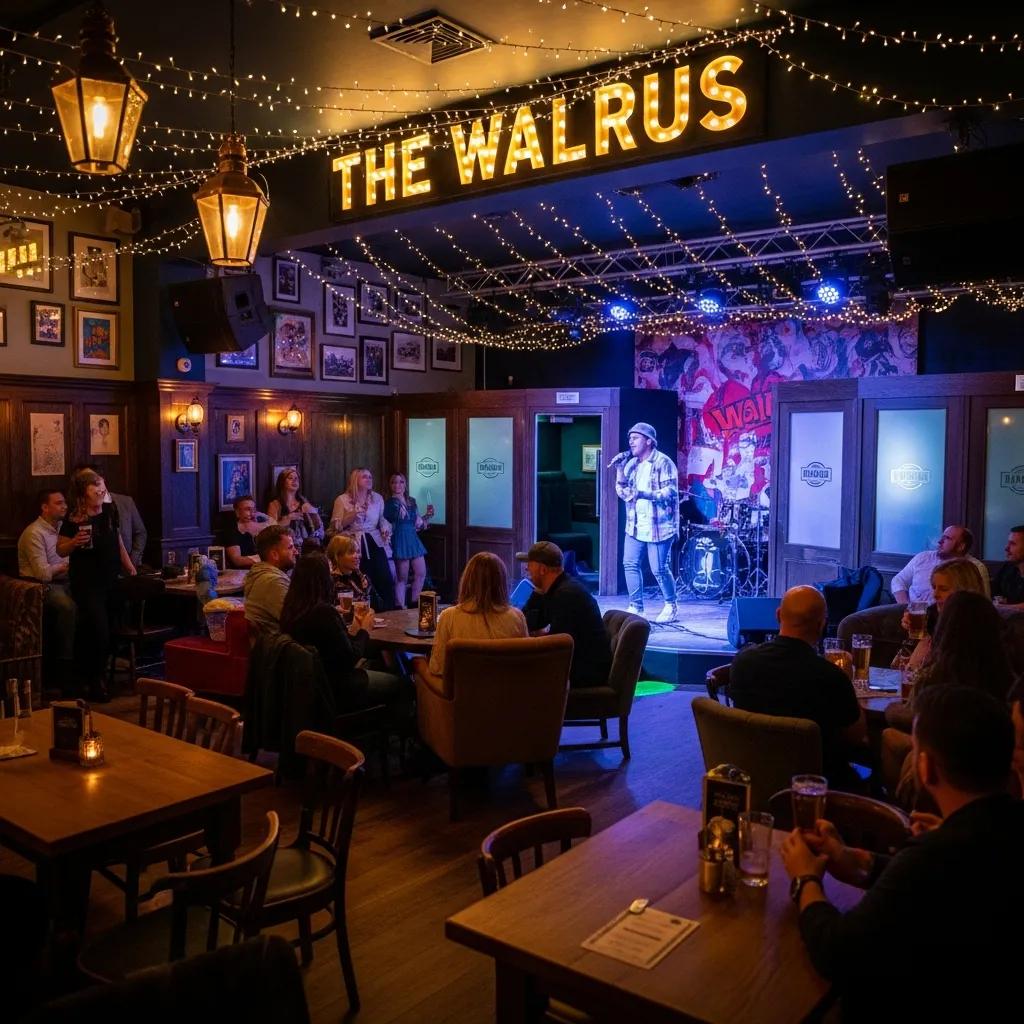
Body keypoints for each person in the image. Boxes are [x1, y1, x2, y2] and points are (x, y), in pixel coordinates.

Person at [780, 686, 1024, 1021]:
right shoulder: (990, 832)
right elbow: (938, 890)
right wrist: (861, 862)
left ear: (926, 769)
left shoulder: (934, 857)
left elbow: (838, 953)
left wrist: (804, 879)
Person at [729, 585, 866, 788]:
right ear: (822, 625)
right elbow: (856, 737)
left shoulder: (743, 662)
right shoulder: (831, 677)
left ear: (778, 616)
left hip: (753, 777)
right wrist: (849, 682)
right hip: (818, 786)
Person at [279, 553, 403, 713]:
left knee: (381, 660)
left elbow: (337, 647)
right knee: (401, 683)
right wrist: (365, 628)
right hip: (336, 685)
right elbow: (350, 658)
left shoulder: (291, 609)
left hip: (307, 684)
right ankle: (398, 732)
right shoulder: (323, 613)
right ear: (322, 579)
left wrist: (354, 628)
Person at [56, 468, 136, 702]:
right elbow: (60, 549)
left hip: (111, 579)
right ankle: (95, 680)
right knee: (97, 630)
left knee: (108, 630)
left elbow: (117, 539)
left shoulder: (110, 511)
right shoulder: (73, 518)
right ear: (84, 493)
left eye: (102, 484)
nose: (101, 490)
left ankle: (88, 677)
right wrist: (73, 542)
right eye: (95, 487)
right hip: (87, 583)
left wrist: (129, 565)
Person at [413, 552, 527, 684]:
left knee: (416, 662)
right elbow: (524, 665)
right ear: (502, 582)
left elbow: (437, 669)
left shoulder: (449, 617)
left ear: (467, 580)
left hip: (461, 700)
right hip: (506, 697)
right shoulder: (517, 617)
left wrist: (418, 664)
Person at [517, 540, 612, 689]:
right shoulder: (556, 589)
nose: (526, 569)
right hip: (577, 666)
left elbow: (558, 645)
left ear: (542, 569)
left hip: (586, 673)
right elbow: (528, 624)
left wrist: (534, 637)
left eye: (530, 564)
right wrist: (537, 594)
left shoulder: (567, 594)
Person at [610, 422, 679, 623]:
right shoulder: (631, 464)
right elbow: (622, 492)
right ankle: (636, 606)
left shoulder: (663, 462)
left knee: (658, 568)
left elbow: (670, 492)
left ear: (649, 441)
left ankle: (671, 604)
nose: (630, 441)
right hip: (635, 523)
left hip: (659, 525)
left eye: (636, 437)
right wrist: (620, 470)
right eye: (630, 437)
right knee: (630, 563)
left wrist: (643, 494)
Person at [18, 488, 77, 691]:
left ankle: (88, 669)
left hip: (66, 581)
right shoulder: (34, 533)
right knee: (67, 607)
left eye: (65, 503)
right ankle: (65, 671)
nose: (65, 506)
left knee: (94, 598)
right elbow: (42, 573)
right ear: (45, 507)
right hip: (40, 587)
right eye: (59, 503)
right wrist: (66, 566)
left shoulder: (63, 528)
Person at [898, 556, 989, 671]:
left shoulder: (981, 624)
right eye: (934, 587)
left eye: (943, 589)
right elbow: (913, 666)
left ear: (965, 590)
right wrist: (912, 630)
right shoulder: (933, 614)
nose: (935, 594)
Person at [330, 468, 395, 610]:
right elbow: (336, 526)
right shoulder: (342, 500)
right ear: (355, 480)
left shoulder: (377, 498)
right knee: (363, 578)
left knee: (385, 578)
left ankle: (388, 610)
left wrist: (385, 529)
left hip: (374, 541)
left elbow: (383, 519)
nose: (369, 479)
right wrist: (354, 514)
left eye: (370, 476)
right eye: (364, 477)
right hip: (355, 542)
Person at [891, 524, 990, 604]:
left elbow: (983, 602)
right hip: (914, 613)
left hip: (949, 616)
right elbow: (898, 580)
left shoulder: (974, 567)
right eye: (942, 537)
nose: (939, 542)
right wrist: (905, 606)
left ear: (961, 546)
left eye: (947, 538)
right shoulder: (923, 557)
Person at [383, 472, 433, 609]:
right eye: (394, 482)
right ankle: (400, 606)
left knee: (421, 572)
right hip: (400, 537)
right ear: (390, 485)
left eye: (401, 482)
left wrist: (427, 516)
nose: (397, 485)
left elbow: (418, 523)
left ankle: (414, 602)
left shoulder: (412, 501)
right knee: (402, 577)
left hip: (413, 538)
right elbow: (389, 521)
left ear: (405, 484)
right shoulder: (390, 503)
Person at [242, 525, 296, 638]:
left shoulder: (261, 573)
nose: (295, 551)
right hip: (276, 650)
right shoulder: (273, 581)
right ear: (274, 554)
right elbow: (295, 622)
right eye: (290, 547)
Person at [325, 533, 383, 611]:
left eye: (358, 552)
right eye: (351, 552)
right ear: (337, 556)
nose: (357, 556)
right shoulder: (330, 581)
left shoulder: (360, 577)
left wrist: (368, 589)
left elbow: (380, 607)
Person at [267, 468, 322, 547]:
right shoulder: (275, 505)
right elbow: (270, 531)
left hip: (305, 545)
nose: (294, 481)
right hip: (283, 545)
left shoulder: (305, 504)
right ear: (282, 482)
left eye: (296, 478)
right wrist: (288, 518)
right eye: (290, 478)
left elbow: (319, 529)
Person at [224, 494, 263, 569]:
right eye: (247, 509)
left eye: (254, 509)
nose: (252, 513)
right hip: (245, 571)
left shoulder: (262, 525)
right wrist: (265, 558)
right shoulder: (232, 530)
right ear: (237, 512)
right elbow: (237, 560)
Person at [992, 524, 1024, 609]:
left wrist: (1005, 607)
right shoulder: (1007, 568)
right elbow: (995, 594)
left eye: (1013, 544)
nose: (1006, 548)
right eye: (1008, 543)